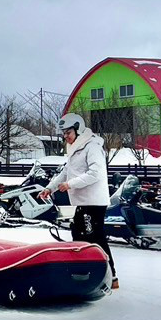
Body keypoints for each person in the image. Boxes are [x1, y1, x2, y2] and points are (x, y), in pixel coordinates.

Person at [41, 112, 118, 289]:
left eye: (68, 132)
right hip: (82, 201)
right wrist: (49, 188)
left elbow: (95, 173)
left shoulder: (92, 146)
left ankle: (111, 276)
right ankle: (87, 272)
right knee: (78, 235)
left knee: (95, 237)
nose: (65, 137)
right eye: (63, 134)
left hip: (94, 201)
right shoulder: (76, 147)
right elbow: (65, 172)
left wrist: (70, 185)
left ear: (78, 129)